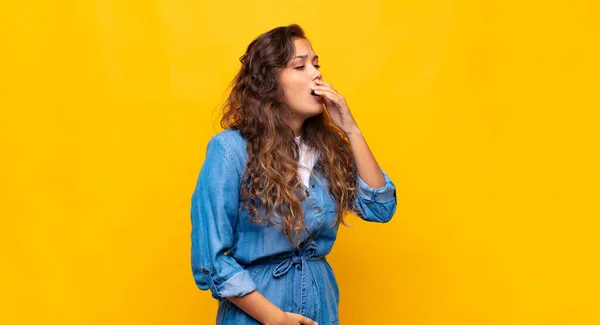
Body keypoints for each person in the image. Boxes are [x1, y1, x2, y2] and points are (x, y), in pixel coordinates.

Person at [190, 24, 397, 325]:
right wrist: (275, 318)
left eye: (316, 64)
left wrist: (350, 129)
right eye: (300, 66)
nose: (316, 74)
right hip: (257, 314)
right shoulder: (230, 150)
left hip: (321, 307)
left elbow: (380, 207)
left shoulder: (327, 149)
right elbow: (211, 259)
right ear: (268, 83)